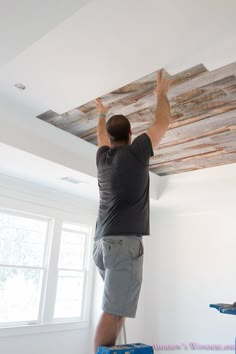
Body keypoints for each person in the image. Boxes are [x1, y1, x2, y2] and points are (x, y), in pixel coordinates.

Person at [93, 70, 173, 353]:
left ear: (113, 139)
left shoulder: (102, 157)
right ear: (130, 134)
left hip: (102, 244)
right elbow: (162, 121)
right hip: (123, 243)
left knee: (119, 306)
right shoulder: (137, 152)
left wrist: (102, 113)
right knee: (115, 310)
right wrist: (160, 93)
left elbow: (101, 135)